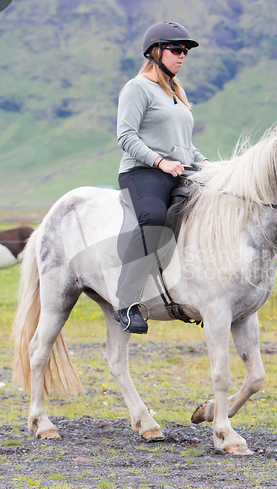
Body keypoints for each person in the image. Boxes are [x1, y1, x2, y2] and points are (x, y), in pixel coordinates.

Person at [114, 21, 207, 334]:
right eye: (176, 49)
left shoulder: (177, 94)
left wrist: (206, 164)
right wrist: (159, 161)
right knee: (153, 218)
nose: (182, 56)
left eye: (185, 51)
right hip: (142, 172)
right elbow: (125, 135)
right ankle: (126, 302)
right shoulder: (137, 88)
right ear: (155, 52)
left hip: (178, 170)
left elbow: (185, 144)